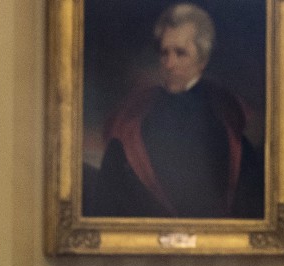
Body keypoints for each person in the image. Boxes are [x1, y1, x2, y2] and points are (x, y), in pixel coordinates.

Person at [87, 3, 264, 218]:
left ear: (202, 60)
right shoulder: (134, 116)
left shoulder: (227, 118)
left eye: (180, 53)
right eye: (164, 53)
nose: (169, 64)